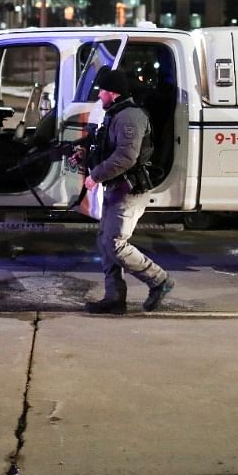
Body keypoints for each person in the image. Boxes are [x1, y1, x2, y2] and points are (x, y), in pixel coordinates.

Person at [74, 67, 174, 314]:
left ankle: (159, 280)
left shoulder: (130, 117)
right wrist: (85, 158)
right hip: (116, 188)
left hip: (128, 191)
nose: (100, 96)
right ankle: (114, 297)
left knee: (116, 244)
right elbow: (108, 150)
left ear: (113, 93)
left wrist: (95, 176)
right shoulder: (116, 114)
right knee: (105, 241)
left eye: (102, 92)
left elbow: (126, 157)